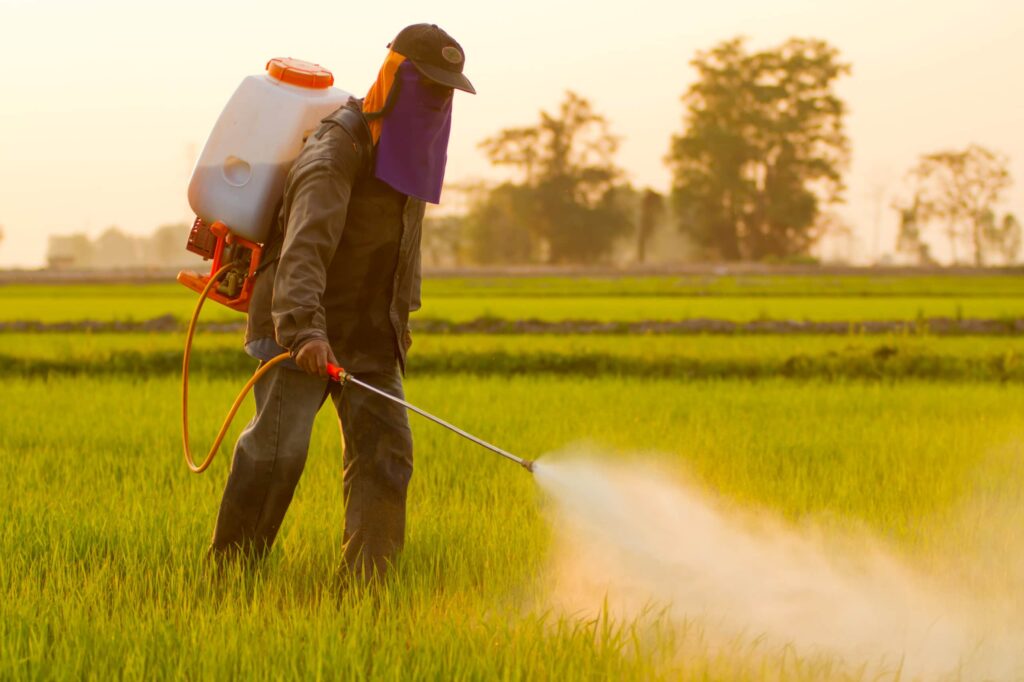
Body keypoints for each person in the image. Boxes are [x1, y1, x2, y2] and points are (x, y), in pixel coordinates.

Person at [208, 24, 476, 578]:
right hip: (298, 322)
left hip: (367, 331)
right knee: (279, 450)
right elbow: (304, 249)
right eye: (428, 84)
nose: (437, 99)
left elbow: (404, 251)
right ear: (395, 78)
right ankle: (230, 575)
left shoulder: (409, 159)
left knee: (387, 453)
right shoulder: (336, 153)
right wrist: (305, 329)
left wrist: (398, 325)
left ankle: (367, 592)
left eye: (446, 89)